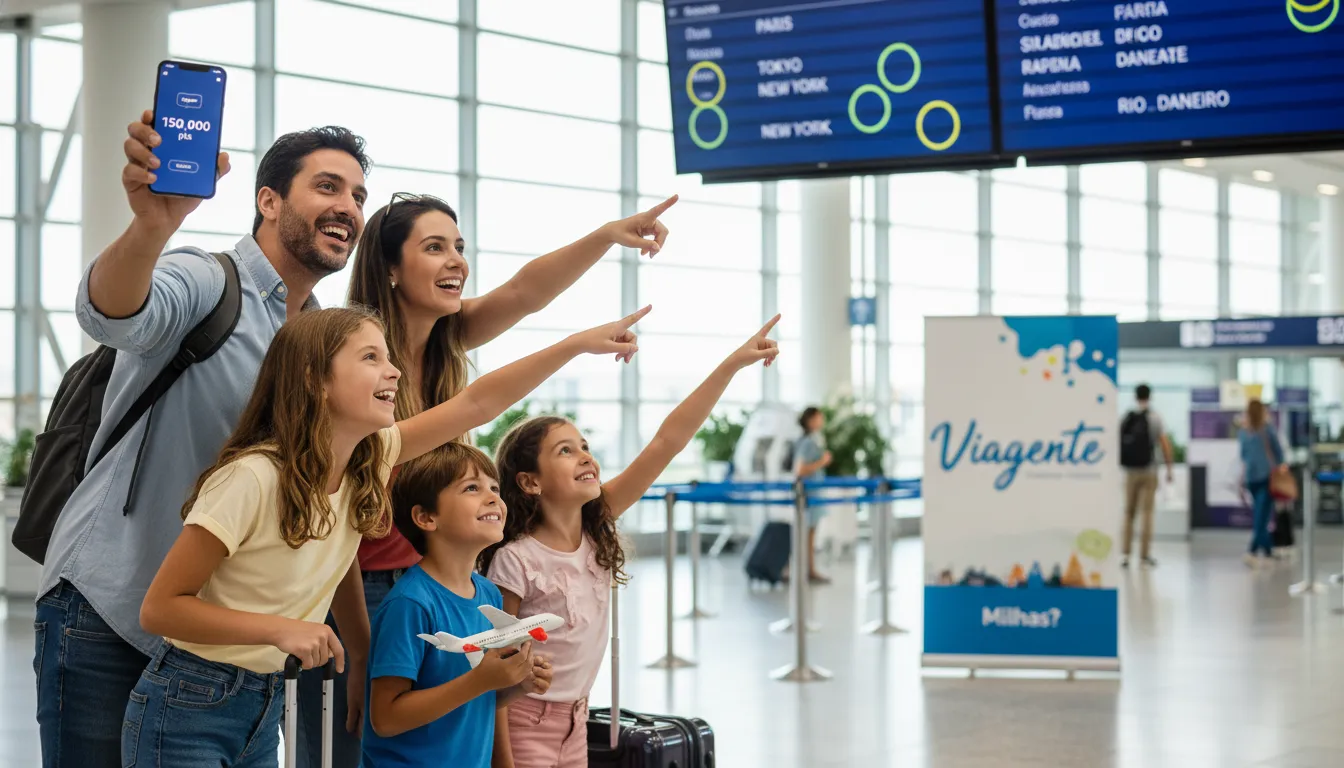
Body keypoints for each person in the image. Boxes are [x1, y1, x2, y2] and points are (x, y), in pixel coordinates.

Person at [125, 303, 646, 766]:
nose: (393, 370)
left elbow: (477, 404)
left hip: (265, 698)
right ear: (314, 379)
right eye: (370, 357)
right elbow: (161, 608)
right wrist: (279, 629)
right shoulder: (252, 477)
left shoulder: (364, 465)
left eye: (389, 358)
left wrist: (575, 346)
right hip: (190, 698)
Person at [35, 113, 374, 766]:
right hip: (109, 611)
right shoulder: (208, 280)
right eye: (328, 186)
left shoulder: (319, 341)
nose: (348, 207)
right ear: (268, 200)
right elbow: (112, 315)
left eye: (358, 196)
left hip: (218, 648)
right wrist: (152, 227)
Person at [297, 191, 675, 765]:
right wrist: (359, 642)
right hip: (360, 589)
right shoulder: (356, 360)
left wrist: (606, 236)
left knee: (446, 744)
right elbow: (336, 523)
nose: (456, 261)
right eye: (434, 247)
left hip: (440, 580)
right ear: (391, 268)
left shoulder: (446, 340)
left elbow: (524, 292)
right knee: (354, 747)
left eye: (459, 247)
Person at [482, 317, 781, 768]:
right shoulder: (516, 559)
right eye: (565, 451)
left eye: (584, 445)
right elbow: (496, 670)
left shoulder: (595, 526)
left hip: (578, 722)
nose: (585, 455)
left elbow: (666, 442)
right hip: (525, 723)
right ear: (530, 482)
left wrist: (731, 366)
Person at [362, 444, 554, 768]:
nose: (493, 497)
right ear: (426, 517)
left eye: (494, 488)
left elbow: (476, 698)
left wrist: (517, 684)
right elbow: (385, 718)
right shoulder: (410, 604)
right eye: (472, 488)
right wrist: (479, 680)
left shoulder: (489, 594)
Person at [1118, 384, 1174, 569]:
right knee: (1147, 513)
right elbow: (1164, 443)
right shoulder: (1154, 417)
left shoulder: (1127, 417)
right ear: (1150, 396)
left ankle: (1125, 555)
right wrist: (1169, 468)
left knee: (1129, 512)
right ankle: (1144, 557)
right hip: (1149, 471)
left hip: (1130, 472)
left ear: (1135, 396)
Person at [1239, 399, 1286, 568]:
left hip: (1258, 478)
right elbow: (1278, 452)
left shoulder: (1245, 432)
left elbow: (1244, 457)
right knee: (1262, 517)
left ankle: (1255, 550)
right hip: (1263, 477)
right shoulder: (1266, 429)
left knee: (1261, 516)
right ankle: (1265, 550)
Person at [792, 406, 833, 583]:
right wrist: (822, 461)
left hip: (812, 493)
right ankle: (808, 570)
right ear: (810, 420)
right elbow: (800, 470)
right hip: (810, 494)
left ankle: (809, 569)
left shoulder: (809, 440)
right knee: (808, 533)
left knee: (809, 533)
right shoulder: (809, 442)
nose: (821, 420)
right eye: (818, 417)